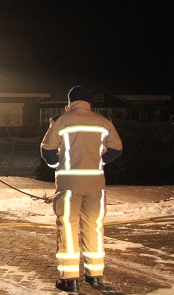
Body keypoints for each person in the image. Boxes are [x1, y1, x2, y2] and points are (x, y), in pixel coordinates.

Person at [40, 86, 123, 293]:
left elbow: (47, 150)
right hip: (95, 185)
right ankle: (95, 275)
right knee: (93, 227)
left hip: (69, 184)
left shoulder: (61, 121)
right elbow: (117, 149)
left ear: (70, 102)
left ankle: (69, 279)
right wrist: (99, 160)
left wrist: (58, 165)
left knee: (68, 227)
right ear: (89, 102)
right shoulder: (103, 122)